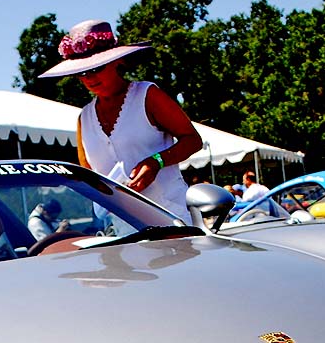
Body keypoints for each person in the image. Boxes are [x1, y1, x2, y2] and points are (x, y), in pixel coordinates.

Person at [39, 20, 203, 220]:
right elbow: (90, 178)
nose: (89, 78)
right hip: (123, 230)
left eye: (96, 68)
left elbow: (193, 140)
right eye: (81, 72)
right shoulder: (84, 118)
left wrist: (156, 162)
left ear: (117, 61)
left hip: (172, 218)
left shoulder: (147, 95)